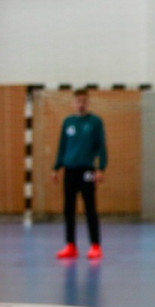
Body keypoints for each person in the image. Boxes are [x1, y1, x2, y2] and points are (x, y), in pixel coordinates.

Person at [52, 88, 107, 260]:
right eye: (78, 101)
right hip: (70, 170)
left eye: (84, 101)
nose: (81, 104)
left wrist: (100, 168)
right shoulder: (68, 122)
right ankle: (70, 245)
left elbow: (101, 147)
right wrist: (57, 167)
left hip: (87, 171)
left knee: (90, 207)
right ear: (73, 103)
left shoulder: (95, 122)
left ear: (88, 103)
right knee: (68, 208)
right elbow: (62, 146)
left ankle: (95, 245)